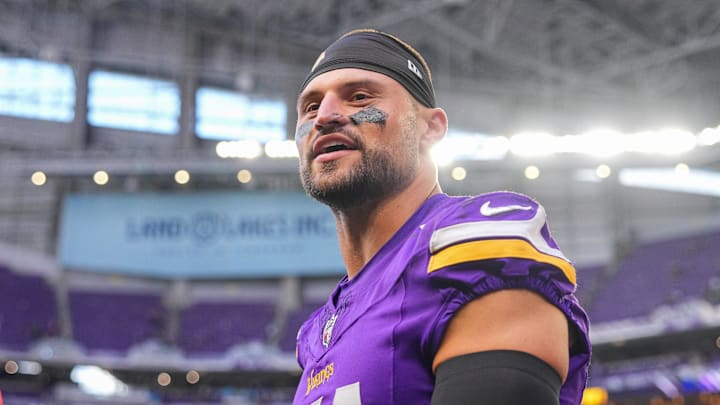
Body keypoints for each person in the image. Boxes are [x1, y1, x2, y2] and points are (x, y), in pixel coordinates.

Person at [292, 28, 591, 405]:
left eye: (360, 97)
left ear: (431, 128)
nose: (326, 116)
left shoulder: (472, 248)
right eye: (311, 107)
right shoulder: (321, 329)